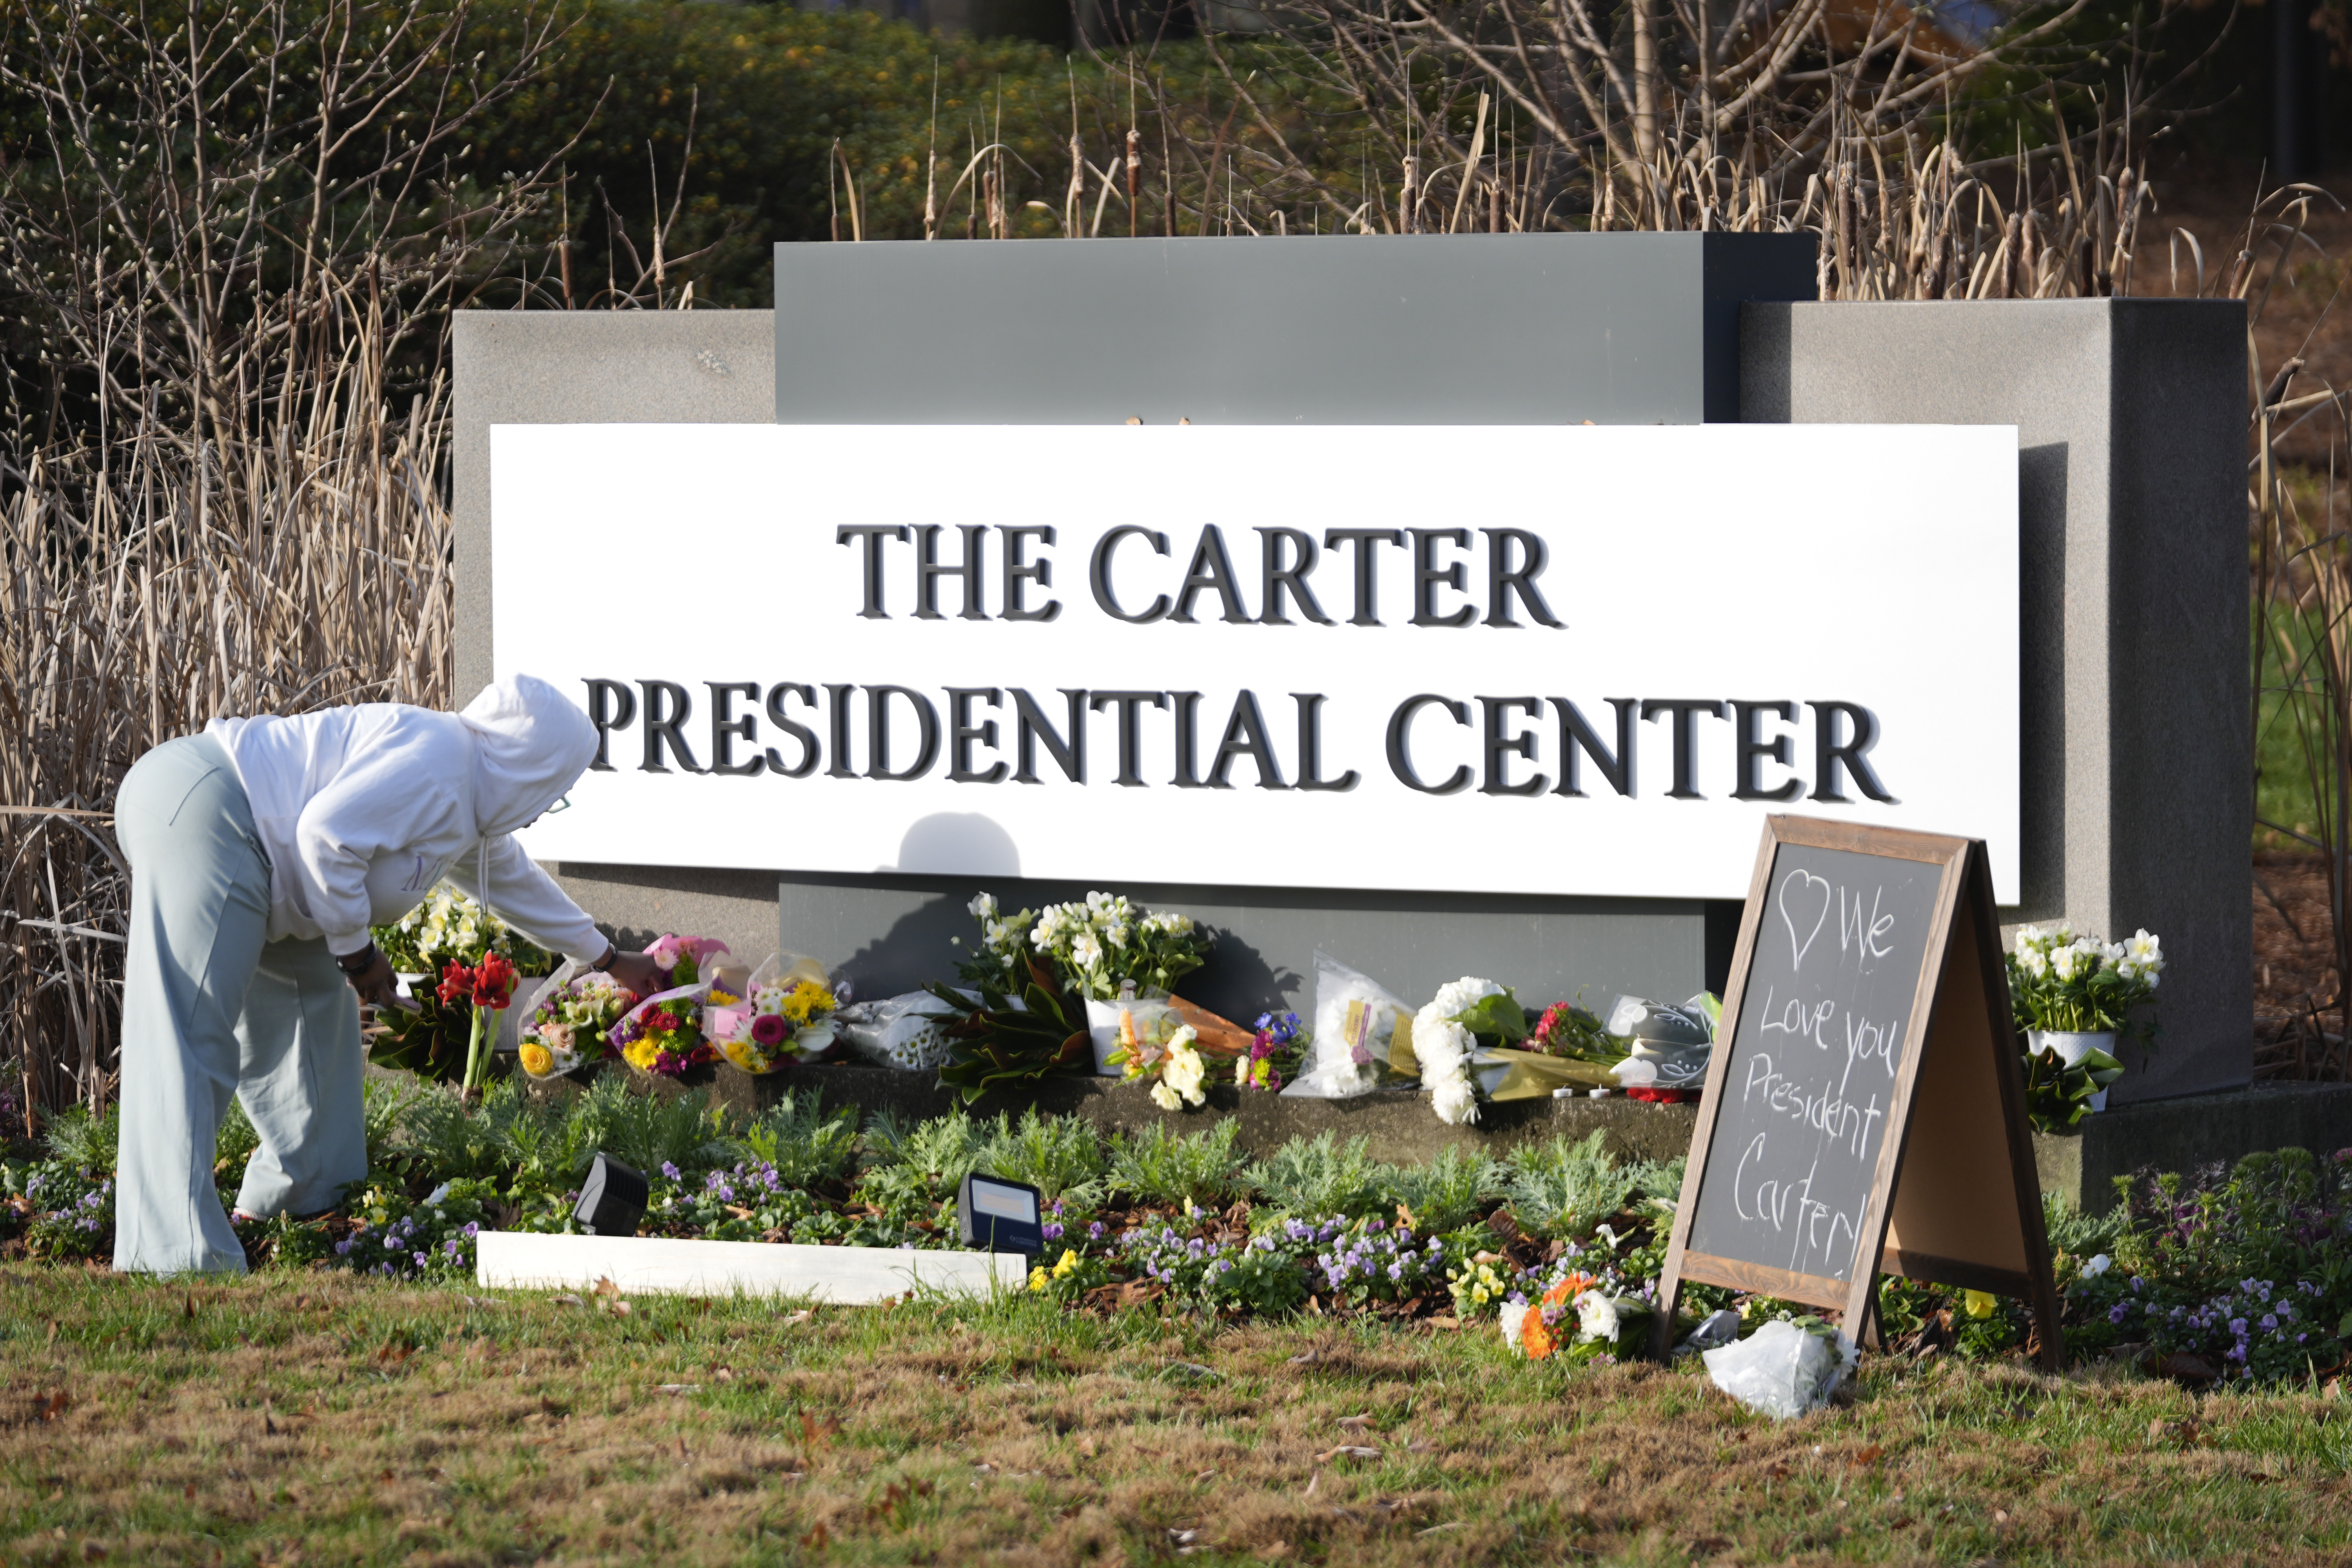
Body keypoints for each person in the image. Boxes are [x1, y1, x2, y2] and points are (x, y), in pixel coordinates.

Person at [110, 674, 666, 1274]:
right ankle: (170, 1254)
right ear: (533, 767)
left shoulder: (470, 799)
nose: (548, 805)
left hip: (272, 867)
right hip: (209, 811)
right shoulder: (440, 760)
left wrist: (611, 961)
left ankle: (307, 1204)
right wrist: (357, 955)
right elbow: (325, 835)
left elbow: (519, 887)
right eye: (555, 787)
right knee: (190, 1031)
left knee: (312, 1027)